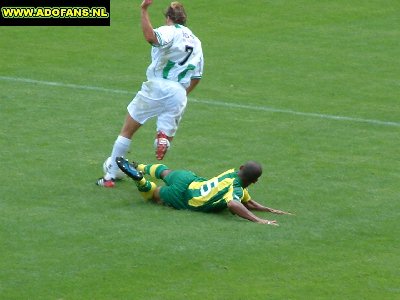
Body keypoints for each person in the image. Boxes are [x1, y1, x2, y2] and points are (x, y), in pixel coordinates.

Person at [97, 0, 204, 187]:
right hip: (179, 92)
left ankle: (109, 177)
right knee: (164, 130)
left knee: (127, 131)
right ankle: (161, 140)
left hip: (158, 86)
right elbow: (197, 76)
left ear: (168, 17)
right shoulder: (196, 41)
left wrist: (144, 10)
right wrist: (183, 94)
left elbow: (150, 37)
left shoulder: (170, 30)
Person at [115, 157, 293, 225]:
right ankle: (140, 180)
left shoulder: (232, 174)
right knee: (155, 195)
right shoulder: (236, 189)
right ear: (254, 181)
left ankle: (138, 165)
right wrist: (259, 220)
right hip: (186, 198)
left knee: (166, 172)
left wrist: (270, 210)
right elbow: (233, 203)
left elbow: (248, 202)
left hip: (189, 179)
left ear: (241, 168)